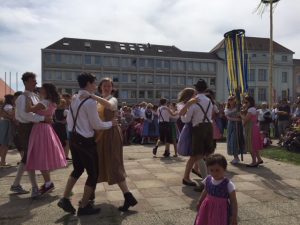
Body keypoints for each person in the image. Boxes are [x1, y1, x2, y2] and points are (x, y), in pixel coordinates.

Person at [57, 73, 116, 216]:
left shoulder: (75, 98)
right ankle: (83, 206)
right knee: (93, 174)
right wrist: (111, 123)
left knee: (77, 170)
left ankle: (65, 198)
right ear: (89, 84)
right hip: (86, 141)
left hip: (74, 138)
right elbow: (96, 125)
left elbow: (71, 121)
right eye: (94, 83)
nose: (96, 86)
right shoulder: (89, 102)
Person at [89, 77, 137, 212]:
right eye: (104, 85)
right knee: (96, 164)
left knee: (114, 164)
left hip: (111, 135)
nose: (107, 88)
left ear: (112, 88)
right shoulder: (98, 101)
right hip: (101, 134)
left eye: (109, 86)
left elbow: (111, 106)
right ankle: (90, 195)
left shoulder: (112, 99)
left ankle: (128, 195)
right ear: (100, 87)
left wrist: (92, 96)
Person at [10, 72, 52, 197]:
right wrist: (43, 119)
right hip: (26, 128)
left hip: (33, 128)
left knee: (28, 158)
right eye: (33, 81)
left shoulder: (33, 96)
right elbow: (24, 115)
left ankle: (17, 184)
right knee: (30, 158)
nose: (36, 83)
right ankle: (33, 188)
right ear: (26, 82)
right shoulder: (22, 97)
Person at [25, 83, 67, 194]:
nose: (40, 89)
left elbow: (28, 109)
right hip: (46, 129)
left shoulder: (44, 102)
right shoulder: (52, 102)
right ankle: (48, 183)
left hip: (40, 129)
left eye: (42, 88)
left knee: (41, 155)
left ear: (46, 91)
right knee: (43, 155)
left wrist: (27, 97)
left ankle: (48, 183)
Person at [181, 79, 214, 186]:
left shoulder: (194, 101)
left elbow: (186, 120)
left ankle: (206, 182)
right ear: (205, 88)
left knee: (198, 155)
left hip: (198, 128)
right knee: (207, 154)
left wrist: (185, 109)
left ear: (196, 88)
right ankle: (203, 178)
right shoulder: (209, 100)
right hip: (209, 127)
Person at [195, 154, 238, 225]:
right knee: (206, 221)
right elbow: (205, 191)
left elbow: (233, 201)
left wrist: (234, 216)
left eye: (217, 170)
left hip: (221, 211)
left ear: (224, 169)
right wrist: (200, 201)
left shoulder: (228, 184)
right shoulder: (208, 179)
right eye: (211, 170)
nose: (214, 173)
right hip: (207, 207)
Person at [241, 95, 263, 167]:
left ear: (250, 102)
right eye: (244, 102)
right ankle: (259, 159)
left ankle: (254, 161)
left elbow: (246, 119)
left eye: (246, 102)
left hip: (251, 128)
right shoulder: (252, 109)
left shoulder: (251, 109)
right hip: (253, 127)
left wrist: (240, 114)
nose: (245, 103)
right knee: (254, 145)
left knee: (251, 145)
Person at [225, 95, 245, 164]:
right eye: (229, 99)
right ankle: (235, 157)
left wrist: (233, 118)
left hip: (237, 126)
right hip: (230, 126)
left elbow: (240, 118)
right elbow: (227, 117)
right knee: (230, 141)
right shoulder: (227, 108)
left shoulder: (238, 108)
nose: (230, 101)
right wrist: (232, 119)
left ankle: (236, 157)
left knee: (234, 141)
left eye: (231, 99)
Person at [0, 94, 14, 167]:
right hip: (6, 124)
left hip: (3, 123)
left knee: (3, 144)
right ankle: (3, 162)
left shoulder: (4, 106)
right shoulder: (9, 107)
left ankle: (2, 161)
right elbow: (11, 116)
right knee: (5, 144)